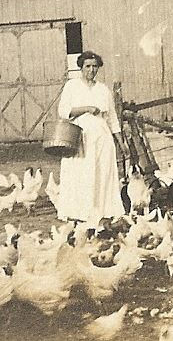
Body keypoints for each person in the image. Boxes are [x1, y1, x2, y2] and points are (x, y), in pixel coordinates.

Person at [56, 51, 128, 224]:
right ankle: (80, 211)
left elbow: (112, 118)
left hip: (102, 136)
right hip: (80, 136)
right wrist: (87, 108)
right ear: (81, 67)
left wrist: (121, 141)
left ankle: (103, 210)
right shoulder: (72, 86)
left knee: (102, 172)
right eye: (87, 66)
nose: (91, 70)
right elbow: (63, 112)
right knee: (81, 172)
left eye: (95, 66)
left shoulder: (103, 89)